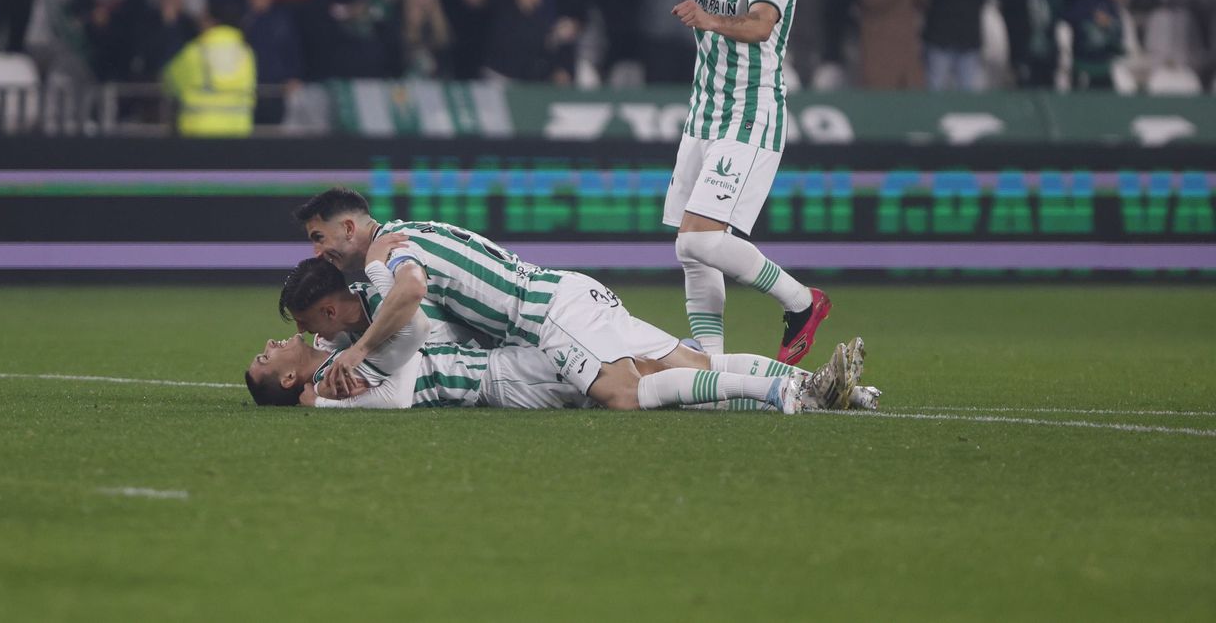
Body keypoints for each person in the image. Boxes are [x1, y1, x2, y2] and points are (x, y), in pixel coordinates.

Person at [552, 0, 829, 365]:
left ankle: (802, 302)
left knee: (700, 241)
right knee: (689, 248)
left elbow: (761, 25)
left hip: (750, 114)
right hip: (703, 116)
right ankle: (711, 366)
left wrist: (708, 18)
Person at [293, 188, 824, 413]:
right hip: (566, 294)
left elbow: (411, 292)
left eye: (319, 237)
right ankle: (830, 391)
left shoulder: (389, 249)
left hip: (549, 316)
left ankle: (774, 390)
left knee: (623, 393)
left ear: (348, 227)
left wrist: (358, 350)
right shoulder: (410, 231)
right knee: (691, 363)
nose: (318, 251)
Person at [257, 257, 868, 413]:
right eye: (268, 356)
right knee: (667, 366)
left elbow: (412, 329)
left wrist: (345, 364)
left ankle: (796, 389)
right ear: (288, 377)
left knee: (643, 381)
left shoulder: (359, 337)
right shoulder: (339, 370)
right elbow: (381, 363)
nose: (279, 339)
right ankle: (817, 389)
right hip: (518, 355)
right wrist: (319, 388)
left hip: (529, 339)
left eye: (298, 324)